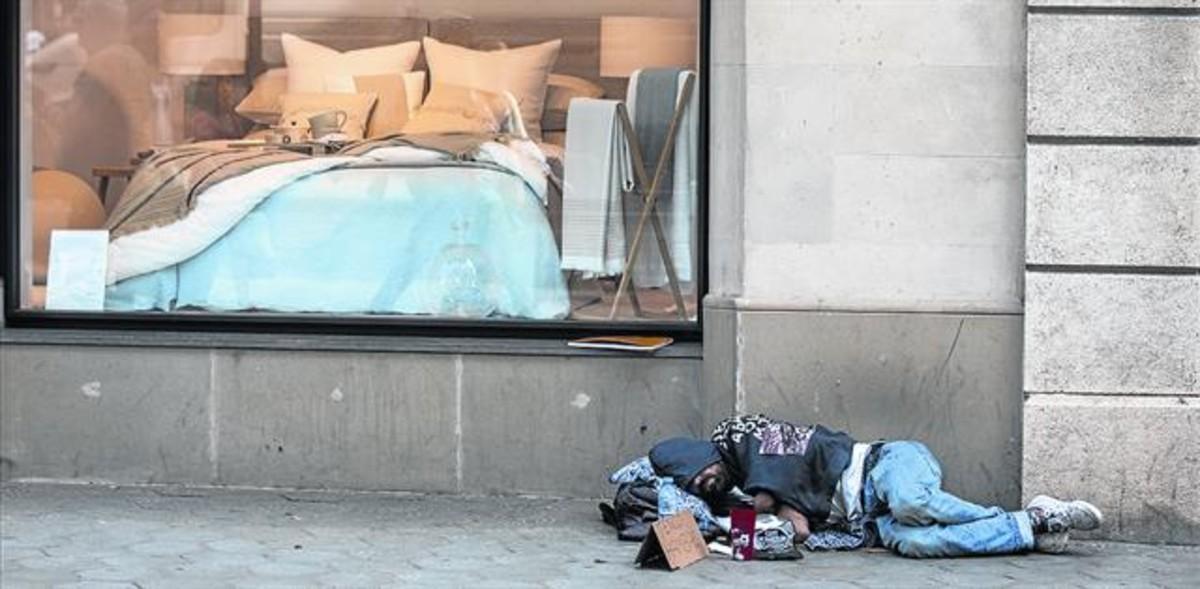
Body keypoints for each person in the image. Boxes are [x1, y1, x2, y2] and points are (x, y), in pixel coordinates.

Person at [648, 414, 1102, 558]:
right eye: (694, 486)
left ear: (706, 456)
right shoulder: (736, 493)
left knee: (910, 502)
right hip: (870, 520)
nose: (703, 484)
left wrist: (730, 530)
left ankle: (1031, 516)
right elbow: (795, 530)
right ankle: (1033, 526)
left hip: (887, 464)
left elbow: (791, 520)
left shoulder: (750, 440)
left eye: (700, 473)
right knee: (917, 543)